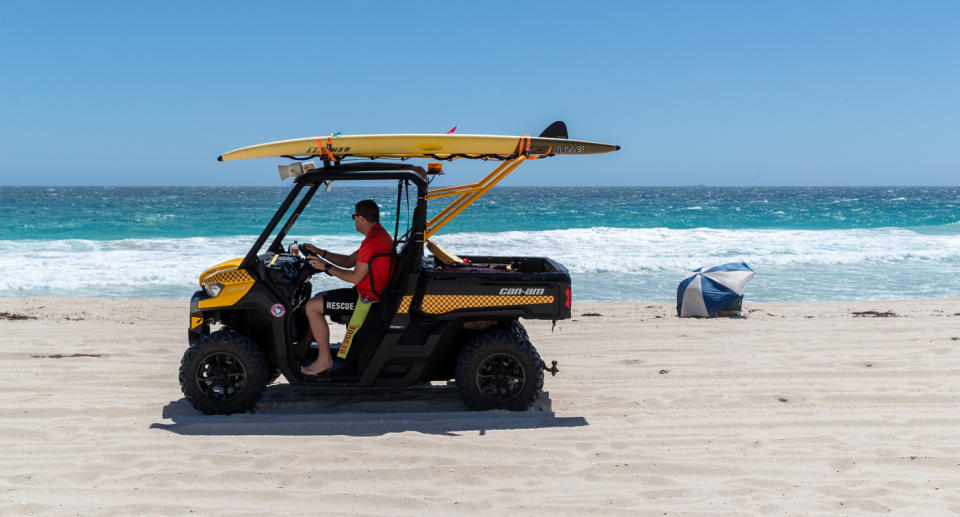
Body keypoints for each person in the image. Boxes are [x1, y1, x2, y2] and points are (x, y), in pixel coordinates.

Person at [300, 199, 394, 375]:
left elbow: (354, 277)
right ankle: (303, 349)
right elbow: (349, 261)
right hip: (366, 292)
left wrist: (326, 267)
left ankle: (324, 360)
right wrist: (321, 252)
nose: (354, 220)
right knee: (320, 296)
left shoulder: (373, 242)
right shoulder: (377, 236)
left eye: (354, 216)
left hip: (367, 299)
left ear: (361, 219)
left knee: (312, 306)